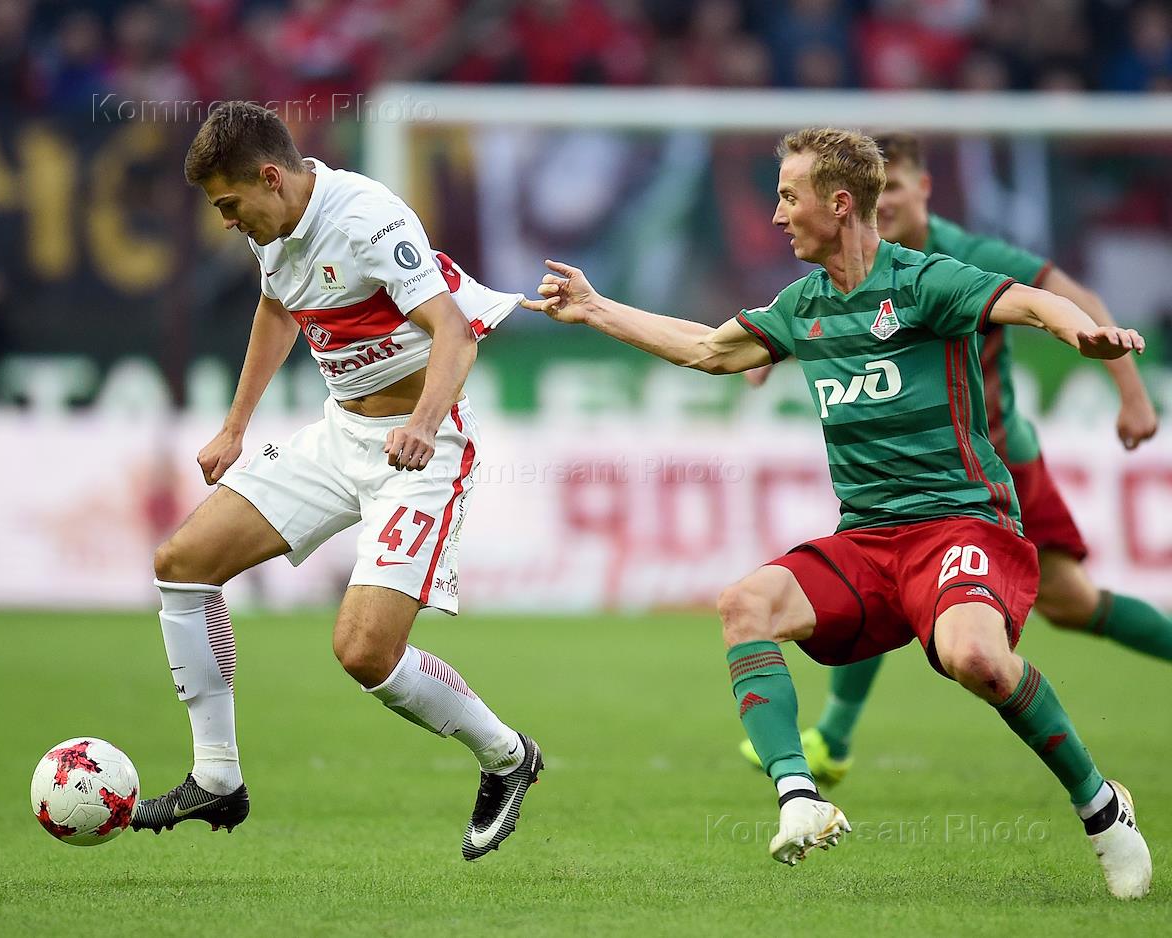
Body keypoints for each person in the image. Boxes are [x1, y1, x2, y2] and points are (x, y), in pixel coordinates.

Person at [523, 127, 1151, 898]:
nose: (778, 214)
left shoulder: (923, 282)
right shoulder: (802, 305)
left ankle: (1100, 807)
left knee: (977, 660)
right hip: (867, 542)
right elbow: (708, 350)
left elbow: (1027, 299)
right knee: (744, 603)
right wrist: (595, 310)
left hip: (961, 525)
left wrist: (1080, 330)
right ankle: (799, 799)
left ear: (839, 202)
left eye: (790, 197)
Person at [131, 102, 543, 862]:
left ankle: (509, 757)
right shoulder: (275, 226)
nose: (226, 221)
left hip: (423, 448)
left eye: (229, 205)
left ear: (270, 177)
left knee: (363, 651)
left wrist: (422, 422)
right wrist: (235, 426)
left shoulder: (366, 220)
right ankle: (216, 776)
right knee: (181, 565)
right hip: (339, 435)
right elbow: (276, 307)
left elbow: (453, 333)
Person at [739, 132, 1166, 787]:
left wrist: (1131, 393)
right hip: (922, 472)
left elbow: (1067, 299)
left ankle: (837, 736)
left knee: (1071, 604)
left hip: (998, 463)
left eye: (898, 194)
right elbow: (802, 329)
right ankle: (835, 735)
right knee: (884, 558)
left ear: (920, 190)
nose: (883, 212)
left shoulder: (960, 257)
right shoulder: (844, 275)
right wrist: (770, 353)